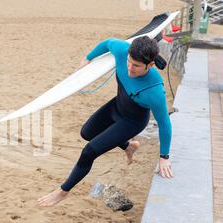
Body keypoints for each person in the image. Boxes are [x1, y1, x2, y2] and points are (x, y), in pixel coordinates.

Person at [37, 36, 173, 207]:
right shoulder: (123, 51)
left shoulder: (154, 92)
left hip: (132, 121)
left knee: (89, 152)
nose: (130, 68)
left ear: (150, 65)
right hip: (116, 107)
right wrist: (88, 58)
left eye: (136, 66)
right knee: (86, 133)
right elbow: (108, 43)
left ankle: (62, 192)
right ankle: (128, 146)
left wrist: (164, 157)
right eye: (129, 62)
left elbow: (164, 124)